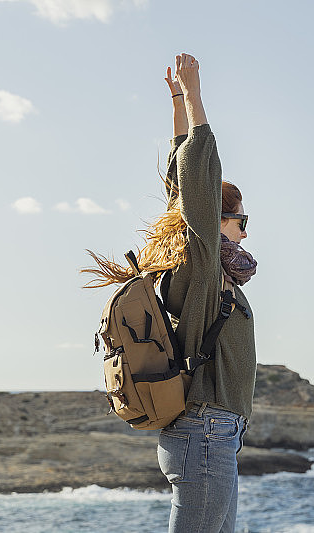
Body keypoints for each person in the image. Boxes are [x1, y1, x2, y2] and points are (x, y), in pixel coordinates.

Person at [83, 53, 258, 533]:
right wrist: (196, 95)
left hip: (215, 432)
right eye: (241, 220)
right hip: (205, 430)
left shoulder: (205, 271)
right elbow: (196, 180)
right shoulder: (200, 266)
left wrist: (178, 106)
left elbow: (179, 187)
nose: (245, 232)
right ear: (216, 221)